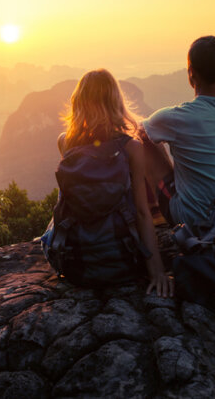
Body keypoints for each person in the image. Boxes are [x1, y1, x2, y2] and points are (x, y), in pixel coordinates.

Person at [57, 69, 173, 297]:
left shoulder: (65, 142)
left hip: (76, 261)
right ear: (116, 101)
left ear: (79, 102)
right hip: (122, 255)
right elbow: (141, 212)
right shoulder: (132, 147)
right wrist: (157, 271)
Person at [140, 36, 215, 228]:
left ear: (191, 73)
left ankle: (149, 216)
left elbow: (138, 130)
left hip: (192, 218)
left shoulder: (176, 118)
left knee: (145, 141)